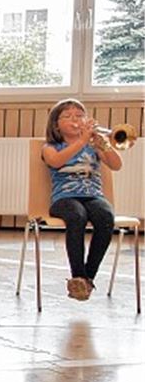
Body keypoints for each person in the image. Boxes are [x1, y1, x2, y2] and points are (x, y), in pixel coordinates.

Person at [41, 98, 122, 301]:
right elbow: (56, 162)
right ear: (56, 124)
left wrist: (104, 145)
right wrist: (82, 141)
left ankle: (85, 280)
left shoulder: (94, 146)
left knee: (105, 217)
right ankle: (78, 274)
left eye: (79, 115)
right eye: (67, 116)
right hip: (64, 199)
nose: (74, 120)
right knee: (77, 216)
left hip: (93, 196)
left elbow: (116, 165)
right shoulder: (50, 147)